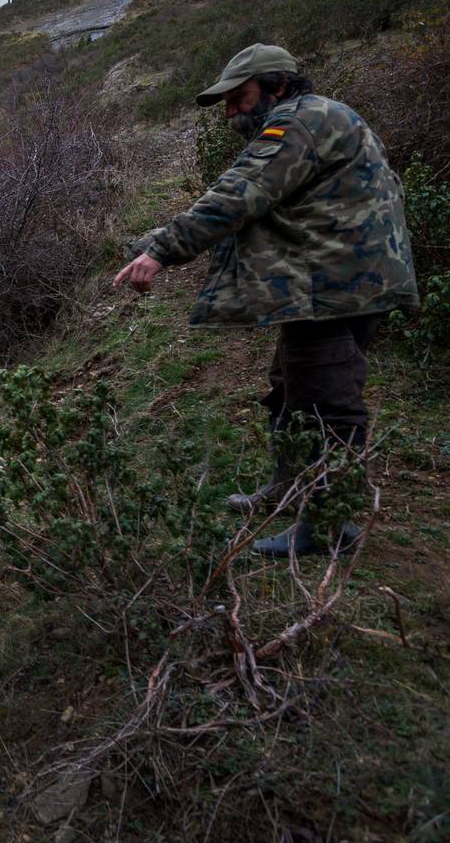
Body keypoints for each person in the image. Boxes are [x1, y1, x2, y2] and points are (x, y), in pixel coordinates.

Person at [113, 43, 420, 555]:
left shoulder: (294, 124)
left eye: (240, 97)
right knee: (291, 383)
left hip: (330, 285)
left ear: (277, 86)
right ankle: (288, 487)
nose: (232, 111)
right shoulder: (326, 115)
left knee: (327, 406)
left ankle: (326, 529)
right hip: (354, 276)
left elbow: (240, 192)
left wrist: (162, 249)